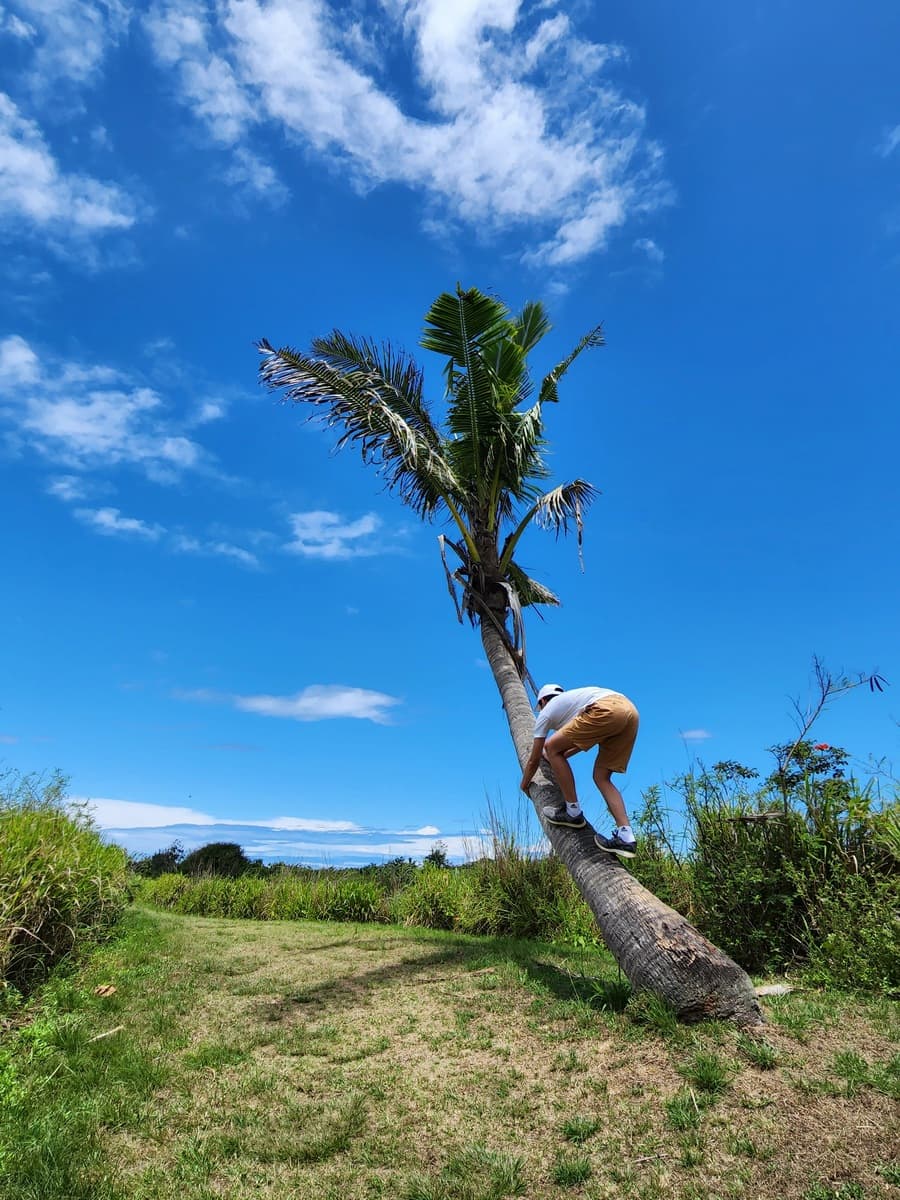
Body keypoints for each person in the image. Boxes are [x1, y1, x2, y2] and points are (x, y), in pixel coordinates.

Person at [519, 683, 639, 859]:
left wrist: (524, 785)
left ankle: (573, 811)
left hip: (607, 708)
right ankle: (626, 837)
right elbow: (580, 745)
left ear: (543, 701)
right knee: (601, 777)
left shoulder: (546, 712)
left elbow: (534, 759)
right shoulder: (576, 705)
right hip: (630, 712)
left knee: (550, 746)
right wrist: (557, 755)